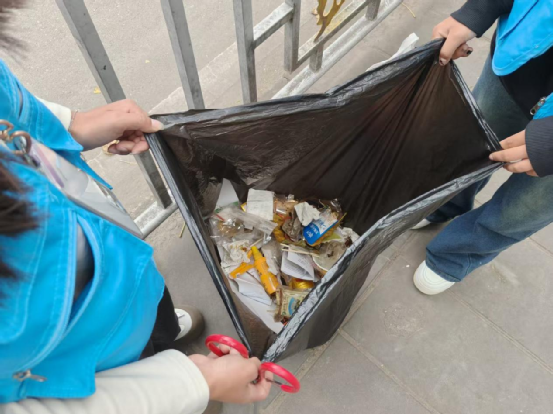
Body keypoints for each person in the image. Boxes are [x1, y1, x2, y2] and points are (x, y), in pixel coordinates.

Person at [0, 0, 271, 413]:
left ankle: (160, 335)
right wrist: (190, 384)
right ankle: (167, 369)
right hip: (88, 369)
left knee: (153, 306)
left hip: (122, 268)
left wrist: (71, 124)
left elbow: (11, 103)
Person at [413, 0, 553, 295]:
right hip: (521, 60)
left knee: (524, 208)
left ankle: (458, 253)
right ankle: (443, 204)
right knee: (469, 147)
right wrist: (481, 8)